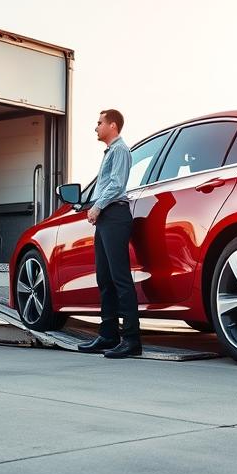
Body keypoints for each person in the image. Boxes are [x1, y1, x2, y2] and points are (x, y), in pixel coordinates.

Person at [77, 109, 141, 358]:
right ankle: (108, 335)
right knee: (104, 279)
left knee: (120, 278)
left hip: (115, 215)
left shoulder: (120, 150)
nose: (96, 127)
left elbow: (116, 184)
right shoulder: (110, 152)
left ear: (112, 125)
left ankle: (132, 340)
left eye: (99, 122)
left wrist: (97, 206)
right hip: (106, 218)